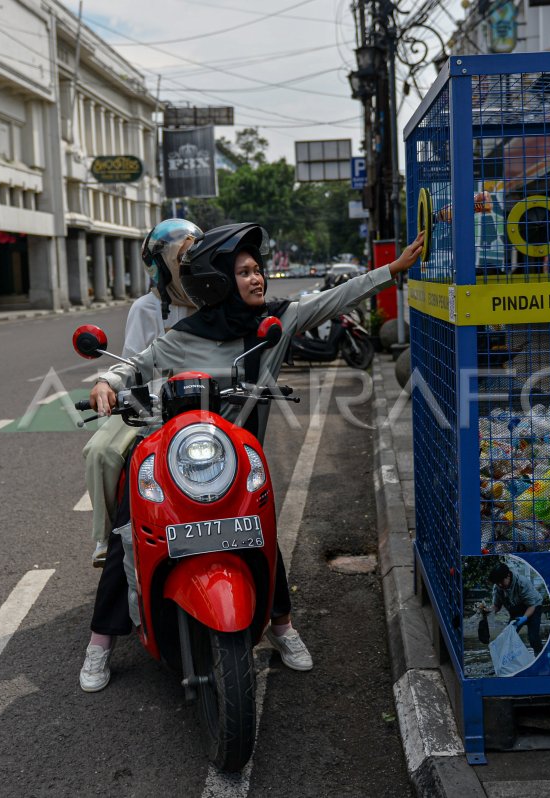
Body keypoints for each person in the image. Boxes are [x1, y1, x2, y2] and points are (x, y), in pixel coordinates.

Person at [78, 222, 426, 692]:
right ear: (217, 280)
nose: (256, 278)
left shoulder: (273, 327)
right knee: (131, 530)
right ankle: (100, 643)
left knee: (259, 531)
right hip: (179, 459)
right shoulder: (181, 337)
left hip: (237, 463)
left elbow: (333, 301)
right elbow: (134, 365)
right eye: (243, 272)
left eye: (257, 269)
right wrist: (106, 383)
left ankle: (281, 626)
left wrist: (393, 269)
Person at [82, 219, 203, 568]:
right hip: (151, 404)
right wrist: (114, 387)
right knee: (100, 452)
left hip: (206, 400)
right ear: (160, 264)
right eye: (178, 257)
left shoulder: (214, 302)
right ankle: (106, 538)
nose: (185, 265)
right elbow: (133, 361)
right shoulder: (145, 308)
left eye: (191, 256)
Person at [482, 561, 544, 656]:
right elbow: (497, 606)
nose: (500, 585)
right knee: (508, 636)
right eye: (497, 583)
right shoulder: (498, 587)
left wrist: (524, 618)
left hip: (533, 607)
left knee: (533, 637)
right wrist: (488, 610)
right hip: (516, 609)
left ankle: (540, 655)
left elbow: (531, 606)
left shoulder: (522, 583)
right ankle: (510, 659)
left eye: (501, 582)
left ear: (508, 576)